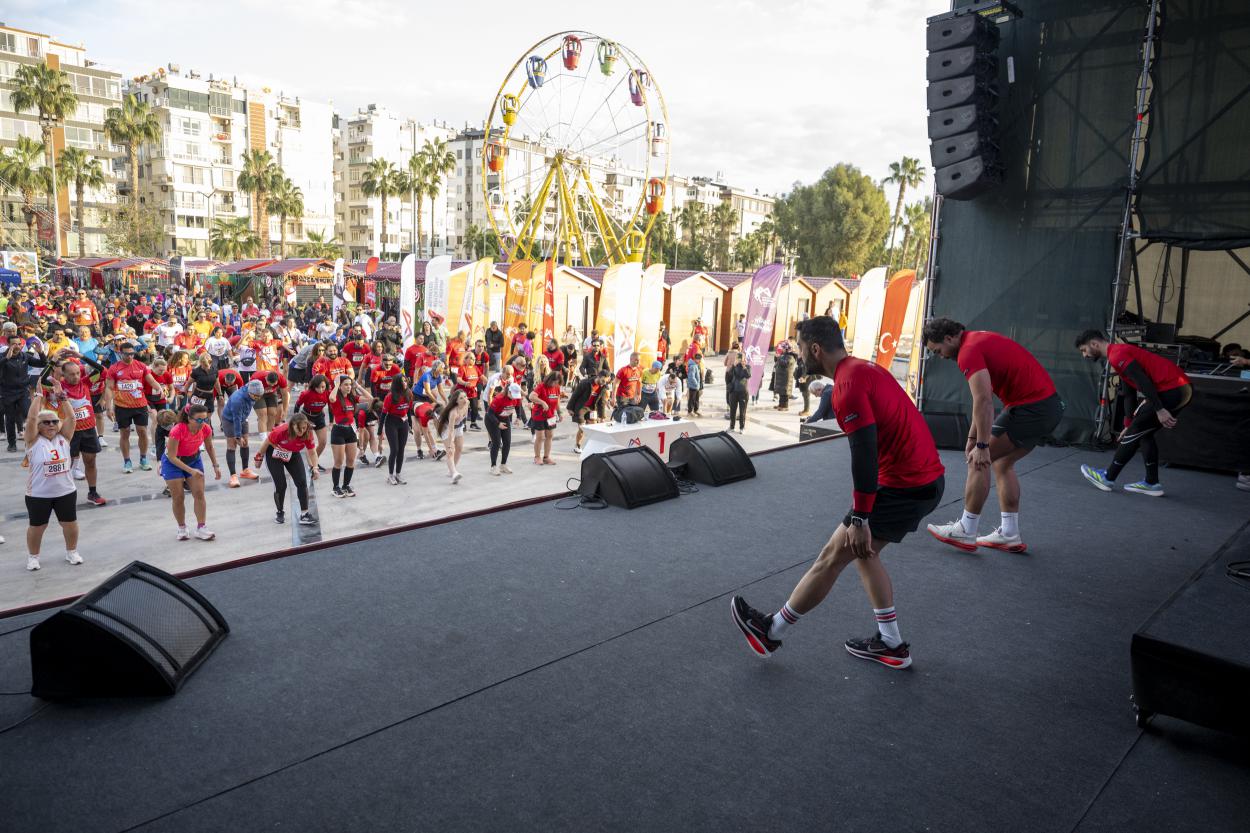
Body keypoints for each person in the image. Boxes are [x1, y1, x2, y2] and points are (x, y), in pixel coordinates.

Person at [730, 316, 945, 669]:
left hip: (905, 485)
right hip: (924, 480)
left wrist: (860, 517)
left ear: (815, 349)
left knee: (833, 555)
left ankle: (771, 630)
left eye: (801, 348)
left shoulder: (846, 388)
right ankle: (890, 642)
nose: (799, 356)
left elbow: (864, 453)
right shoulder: (863, 369)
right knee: (864, 554)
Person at [922, 318, 1063, 554]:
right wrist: (972, 439)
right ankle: (1009, 533)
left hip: (1031, 408)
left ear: (949, 338)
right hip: (1048, 408)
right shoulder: (976, 340)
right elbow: (982, 401)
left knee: (979, 461)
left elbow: (984, 400)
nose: (941, 356)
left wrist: (981, 446)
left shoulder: (968, 352)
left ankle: (967, 529)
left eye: (938, 351)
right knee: (1002, 463)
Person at [1074, 330, 1193, 497]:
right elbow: (1129, 393)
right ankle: (1152, 483)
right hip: (1178, 389)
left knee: (1136, 430)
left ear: (1094, 344)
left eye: (1084, 350)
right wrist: (1128, 424)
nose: (1084, 355)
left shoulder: (1118, 354)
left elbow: (1142, 381)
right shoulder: (1117, 356)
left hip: (1174, 388)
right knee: (1143, 433)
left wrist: (1159, 409)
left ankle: (1107, 477)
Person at [22, 392, 82, 571]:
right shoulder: (33, 441)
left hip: (66, 492)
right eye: (46, 422)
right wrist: (38, 396)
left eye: (55, 421)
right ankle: (33, 557)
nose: (51, 425)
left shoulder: (64, 438)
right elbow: (32, 418)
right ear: (38, 426)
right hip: (38, 494)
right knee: (38, 526)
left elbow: (72, 418)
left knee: (69, 524)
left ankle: (71, 552)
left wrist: (63, 398)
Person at [160, 402, 221, 541]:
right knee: (178, 497)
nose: (202, 423)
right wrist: (191, 471)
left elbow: (209, 447)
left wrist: (215, 466)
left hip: (193, 459)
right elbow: (172, 456)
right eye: (199, 420)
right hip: (173, 463)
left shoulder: (206, 429)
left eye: (205, 419)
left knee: (199, 493)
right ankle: (182, 528)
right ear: (189, 418)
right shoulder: (177, 430)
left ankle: (201, 528)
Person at [57, 357, 108, 506]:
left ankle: (92, 493)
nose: (76, 377)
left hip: (89, 429)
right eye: (71, 374)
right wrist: (53, 362)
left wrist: (80, 356)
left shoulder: (85, 382)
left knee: (90, 461)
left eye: (78, 373)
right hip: (69, 431)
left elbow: (102, 371)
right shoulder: (59, 387)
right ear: (63, 375)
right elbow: (43, 382)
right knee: (66, 464)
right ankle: (62, 495)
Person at [253, 413, 319, 525]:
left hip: (293, 454)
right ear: (292, 425)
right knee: (281, 484)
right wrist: (258, 457)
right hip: (274, 454)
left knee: (302, 482)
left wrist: (315, 467)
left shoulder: (308, 433)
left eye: (304, 428)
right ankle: (280, 512)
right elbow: (267, 442)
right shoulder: (281, 431)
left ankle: (304, 514)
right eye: (299, 428)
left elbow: (312, 452)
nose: (302, 431)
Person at [105, 341, 160, 473]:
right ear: (120, 353)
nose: (130, 356)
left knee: (142, 431)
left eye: (132, 354)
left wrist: (159, 388)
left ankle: (143, 459)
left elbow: (151, 380)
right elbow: (109, 388)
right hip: (122, 406)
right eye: (126, 354)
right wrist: (108, 407)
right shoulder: (114, 368)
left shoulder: (141, 366)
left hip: (140, 405)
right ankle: (127, 461)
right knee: (125, 433)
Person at [328, 374, 370, 497]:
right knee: (339, 462)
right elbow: (331, 398)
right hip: (338, 431)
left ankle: (346, 486)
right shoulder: (336, 398)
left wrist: (358, 386)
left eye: (349, 384)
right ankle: (335, 487)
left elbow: (370, 398)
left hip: (351, 431)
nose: (348, 387)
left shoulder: (352, 398)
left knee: (351, 461)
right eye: (345, 384)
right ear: (340, 386)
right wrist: (336, 384)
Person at [221, 379, 265, 487]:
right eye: (256, 396)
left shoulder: (253, 389)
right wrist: (237, 436)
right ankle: (233, 476)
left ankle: (245, 470)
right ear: (250, 393)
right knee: (232, 445)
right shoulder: (238, 400)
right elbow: (236, 419)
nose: (258, 398)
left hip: (243, 418)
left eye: (260, 396)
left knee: (245, 443)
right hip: (230, 420)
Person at [381, 374, 415, 485]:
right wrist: (380, 431)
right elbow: (383, 414)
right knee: (394, 449)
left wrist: (410, 424)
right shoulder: (390, 396)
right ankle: (390, 475)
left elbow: (408, 411)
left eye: (405, 381)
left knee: (401, 450)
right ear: (397, 383)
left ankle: (398, 474)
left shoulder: (409, 393)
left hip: (403, 423)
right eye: (402, 381)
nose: (405, 383)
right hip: (391, 423)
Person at [568, 368, 612, 452]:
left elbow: (602, 402)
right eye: (603, 381)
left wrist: (602, 416)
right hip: (581, 407)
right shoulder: (585, 383)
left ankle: (593, 447)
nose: (604, 383)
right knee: (582, 428)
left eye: (606, 382)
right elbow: (575, 395)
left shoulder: (603, 387)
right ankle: (577, 446)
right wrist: (570, 408)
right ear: (598, 377)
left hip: (592, 408)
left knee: (594, 428)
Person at [486, 382, 526, 476]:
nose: (514, 397)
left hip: (505, 418)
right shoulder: (499, 398)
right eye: (513, 395)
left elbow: (518, 406)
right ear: (508, 391)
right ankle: (493, 466)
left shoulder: (516, 398)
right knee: (496, 442)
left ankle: (503, 465)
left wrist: (518, 417)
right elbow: (490, 413)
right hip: (492, 420)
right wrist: (498, 424)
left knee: (507, 442)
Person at [296, 374, 331, 470]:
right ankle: (311, 466)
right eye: (318, 387)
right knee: (310, 444)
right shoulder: (306, 394)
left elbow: (331, 408)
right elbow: (297, 405)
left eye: (323, 387)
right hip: (307, 417)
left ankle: (314, 462)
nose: (321, 389)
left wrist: (331, 421)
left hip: (319, 417)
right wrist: (297, 420)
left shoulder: (327, 393)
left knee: (323, 442)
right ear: (314, 386)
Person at [436, 388, 469, 484]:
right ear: (456, 401)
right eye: (461, 398)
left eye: (465, 397)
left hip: (459, 427)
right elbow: (450, 431)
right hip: (447, 429)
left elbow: (464, 417)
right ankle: (454, 473)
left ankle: (451, 470)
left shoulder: (467, 403)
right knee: (451, 451)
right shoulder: (453, 412)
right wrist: (450, 445)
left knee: (459, 448)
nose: (464, 399)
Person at [529, 370, 562, 465]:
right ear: (550, 380)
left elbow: (557, 400)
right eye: (554, 382)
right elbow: (531, 396)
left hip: (550, 416)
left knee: (550, 436)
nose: (555, 384)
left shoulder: (557, 387)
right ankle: (537, 457)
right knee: (540, 437)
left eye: (557, 383)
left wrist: (559, 412)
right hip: (539, 415)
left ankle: (546, 457)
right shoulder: (541, 386)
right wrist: (542, 402)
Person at [726, 352, 751, 433]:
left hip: (743, 392)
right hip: (733, 391)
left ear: (744, 359)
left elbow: (748, 375)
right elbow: (729, 375)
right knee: (732, 411)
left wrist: (744, 367)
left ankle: (742, 427)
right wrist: (733, 365)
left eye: (741, 358)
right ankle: (732, 427)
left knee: (742, 411)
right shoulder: (734, 366)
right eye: (738, 358)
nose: (739, 360)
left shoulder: (747, 367)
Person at [686, 352, 704, 416]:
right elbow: (692, 377)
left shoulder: (696, 365)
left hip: (697, 386)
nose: (700, 361)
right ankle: (690, 411)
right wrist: (696, 384)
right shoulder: (693, 366)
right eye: (699, 360)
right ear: (696, 359)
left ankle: (696, 410)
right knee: (692, 399)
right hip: (693, 386)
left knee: (696, 399)